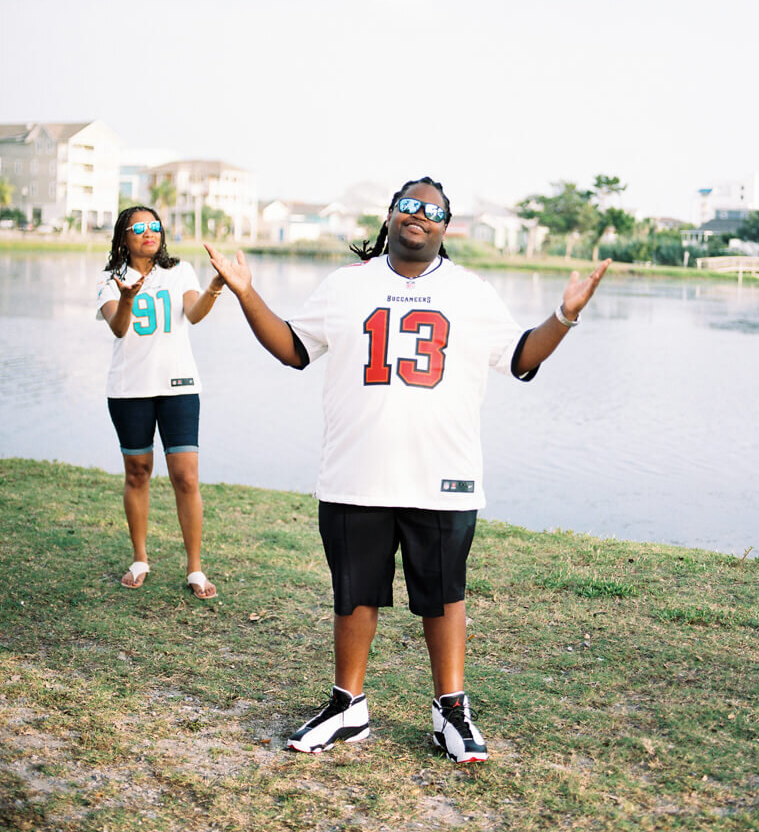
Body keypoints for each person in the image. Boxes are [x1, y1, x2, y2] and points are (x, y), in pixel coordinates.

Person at [205, 177, 609, 761]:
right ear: (390, 216)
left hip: (442, 475)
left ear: (446, 227)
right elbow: (293, 349)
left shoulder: (470, 291)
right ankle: (348, 708)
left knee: (443, 596)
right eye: (409, 205)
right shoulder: (347, 285)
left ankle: (453, 713)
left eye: (434, 210)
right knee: (354, 594)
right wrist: (245, 293)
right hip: (355, 471)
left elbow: (520, 356)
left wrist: (563, 315)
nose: (420, 215)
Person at [97, 206, 225, 599]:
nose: (149, 232)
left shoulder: (180, 271)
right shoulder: (110, 280)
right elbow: (119, 329)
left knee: (185, 476)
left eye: (155, 226)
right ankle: (140, 558)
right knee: (138, 472)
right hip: (129, 388)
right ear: (124, 237)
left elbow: (195, 313)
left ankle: (195, 568)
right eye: (139, 228)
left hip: (179, 387)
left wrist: (216, 285)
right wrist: (128, 299)